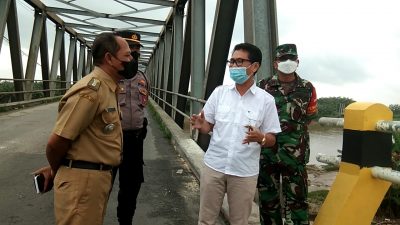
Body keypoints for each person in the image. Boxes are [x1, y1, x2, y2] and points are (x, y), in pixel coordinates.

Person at [33, 32, 138, 225]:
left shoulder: (109, 88)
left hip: (95, 180)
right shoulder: (91, 91)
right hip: (83, 183)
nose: (132, 59)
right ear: (109, 58)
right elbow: (57, 142)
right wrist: (57, 169)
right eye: (127, 56)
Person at [191, 43, 281, 225]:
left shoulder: (266, 101)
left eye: (239, 61)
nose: (233, 66)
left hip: (243, 172)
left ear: (254, 66)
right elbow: (208, 127)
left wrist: (261, 138)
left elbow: (272, 139)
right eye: (231, 62)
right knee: (205, 220)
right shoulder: (219, 93)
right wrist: (202, 125)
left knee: (239, 221)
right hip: (214, 166)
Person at [257, 44, 318, 225]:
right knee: (268, 201)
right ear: (275, 63)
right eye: (283, 59)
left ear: (297, 62)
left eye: (291, 59)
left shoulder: (307, 88)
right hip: (268, 153)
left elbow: (310, 117)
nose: (287, 62)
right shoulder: (263, 86)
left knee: (298, 201)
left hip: (296, 155)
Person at [112, 30, 150, 225]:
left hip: (135, 141)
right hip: (110, 140)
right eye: (129, 47)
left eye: (136, 48)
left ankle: (125, 221)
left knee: (131, 186)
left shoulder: (142, 77)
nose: (134, 51)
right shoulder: (109, 77)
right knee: (102, 185)